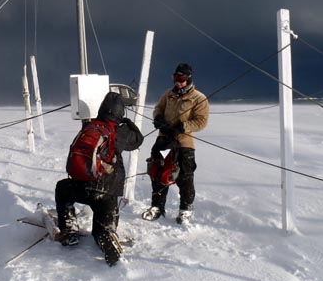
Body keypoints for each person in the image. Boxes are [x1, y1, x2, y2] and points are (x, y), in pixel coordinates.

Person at [55, 92, 143, 266]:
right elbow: (137, 140)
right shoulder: (121, 131)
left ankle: (69, 229)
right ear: (121, 112)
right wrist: (128, 123)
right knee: (103, 228)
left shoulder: (90, 125)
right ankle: (106, 237)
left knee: (62, 189)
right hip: (106, 192)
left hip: (80, 186)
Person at [142, 63, 209, 224]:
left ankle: (185, 209)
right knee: (158, 171)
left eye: (181, 78)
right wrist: (158, 118)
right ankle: (157, 207)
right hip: (164, 141)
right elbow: (158, 109)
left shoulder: (199, 98)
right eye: (175, 78)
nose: (178, 82)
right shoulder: (168, 94)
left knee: (185, 176)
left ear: (189, 79)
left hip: (183, 142)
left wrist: (182, 127)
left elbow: (201, 121)